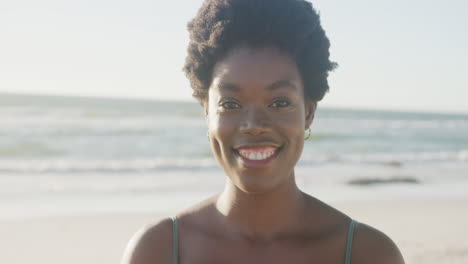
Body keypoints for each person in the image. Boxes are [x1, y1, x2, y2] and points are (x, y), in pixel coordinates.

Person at [122, 0, 405, 263]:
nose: (254, 124)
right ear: (207, 111)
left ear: (308, 112)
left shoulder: (366, 254)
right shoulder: (158, 251)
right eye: (230, 103)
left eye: (279, 102)